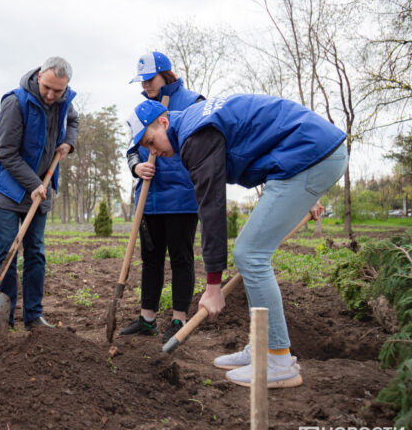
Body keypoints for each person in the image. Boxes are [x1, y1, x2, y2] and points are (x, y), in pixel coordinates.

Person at [128, 94, 347, 388]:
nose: (154, 151)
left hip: (309, 155)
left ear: (164, 123)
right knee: (251, 252)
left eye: (151, 142)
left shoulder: (195, 137)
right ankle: (262, 346)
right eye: (145, 148)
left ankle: (278, 359)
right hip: (305, 155)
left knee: (251, 253)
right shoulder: (195, 121)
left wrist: (213, 285)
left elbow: (212, 207)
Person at [0, 57, 79, 330]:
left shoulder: (64, 101)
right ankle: (5, 317)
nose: (50, 95)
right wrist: (32, 184)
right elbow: (6, 153)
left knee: (35, 252)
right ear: (39, 76)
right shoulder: (15, 102)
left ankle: (33, 316)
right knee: (7, 252)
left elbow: (72, 120)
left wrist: (68, 143)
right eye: (47, 87)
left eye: (57, 91)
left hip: (41, 187)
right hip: (8, 189)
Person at [119, 52, 203, 342]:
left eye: (150, 79)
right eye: (141, 81)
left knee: (181, 258)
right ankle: (147, 319)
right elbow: (131, 149)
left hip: (182, 196)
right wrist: (136, 166)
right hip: (150, 198)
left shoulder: (193, 102)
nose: (145, 86)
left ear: (167, 74)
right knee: (151, 259)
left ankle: (180, 321)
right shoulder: (142, 108)